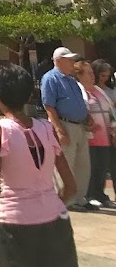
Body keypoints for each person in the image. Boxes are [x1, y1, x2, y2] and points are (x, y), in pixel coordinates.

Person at [0, 64, 78, 267]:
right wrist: (49, 204)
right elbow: (70, 186)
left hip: (15, 223)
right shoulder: (48, 128)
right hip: (56, 220)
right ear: (30, 95)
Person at [41, 47, 91, 210]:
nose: (72, 63)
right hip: (65, 125)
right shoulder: (50, 78)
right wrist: (59, 130)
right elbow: (49, 106)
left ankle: (79, 197)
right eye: (69, 59)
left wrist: (87, 117)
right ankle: (67, 200)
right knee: (66, 164)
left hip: (79, 126)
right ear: (58, 61)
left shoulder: (71, 80)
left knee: (82, 164)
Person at [80, 59, 114, 208]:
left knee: (102, 168)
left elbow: (110, 111)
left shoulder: (99, 91)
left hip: (105, 137)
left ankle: (100, 194)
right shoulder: (81, 91)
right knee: (91, 168)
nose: (93, 76)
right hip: (91, 138)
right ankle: (90, 195)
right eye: (89, 74)